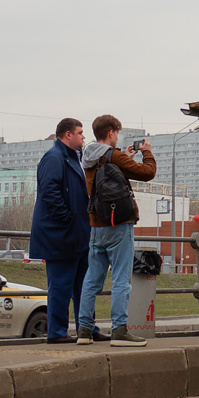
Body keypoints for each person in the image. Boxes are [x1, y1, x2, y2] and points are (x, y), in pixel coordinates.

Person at [78, 115, 157, 347]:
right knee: (122, 279)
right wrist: (147, 152)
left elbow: (104, 179)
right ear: (111, 132)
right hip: (118, 225)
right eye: (117, 133)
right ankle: (119, 331)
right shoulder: (114, 155)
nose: (117, 137)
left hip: (96, 225)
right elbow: (147, 172)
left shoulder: (87, 156)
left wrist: (125, 160)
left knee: (91, 280)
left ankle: (84, 330)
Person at [30, 118, 90, 344]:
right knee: (61, 285)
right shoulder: (54, 157)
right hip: (61, 235)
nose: (83, 137)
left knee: (84, 285)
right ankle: (56, 332)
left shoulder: (72, 158)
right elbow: (49, 191)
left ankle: (87, 328)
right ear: (68, 135)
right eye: (80, 132)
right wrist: (68, 219)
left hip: (75, 234)